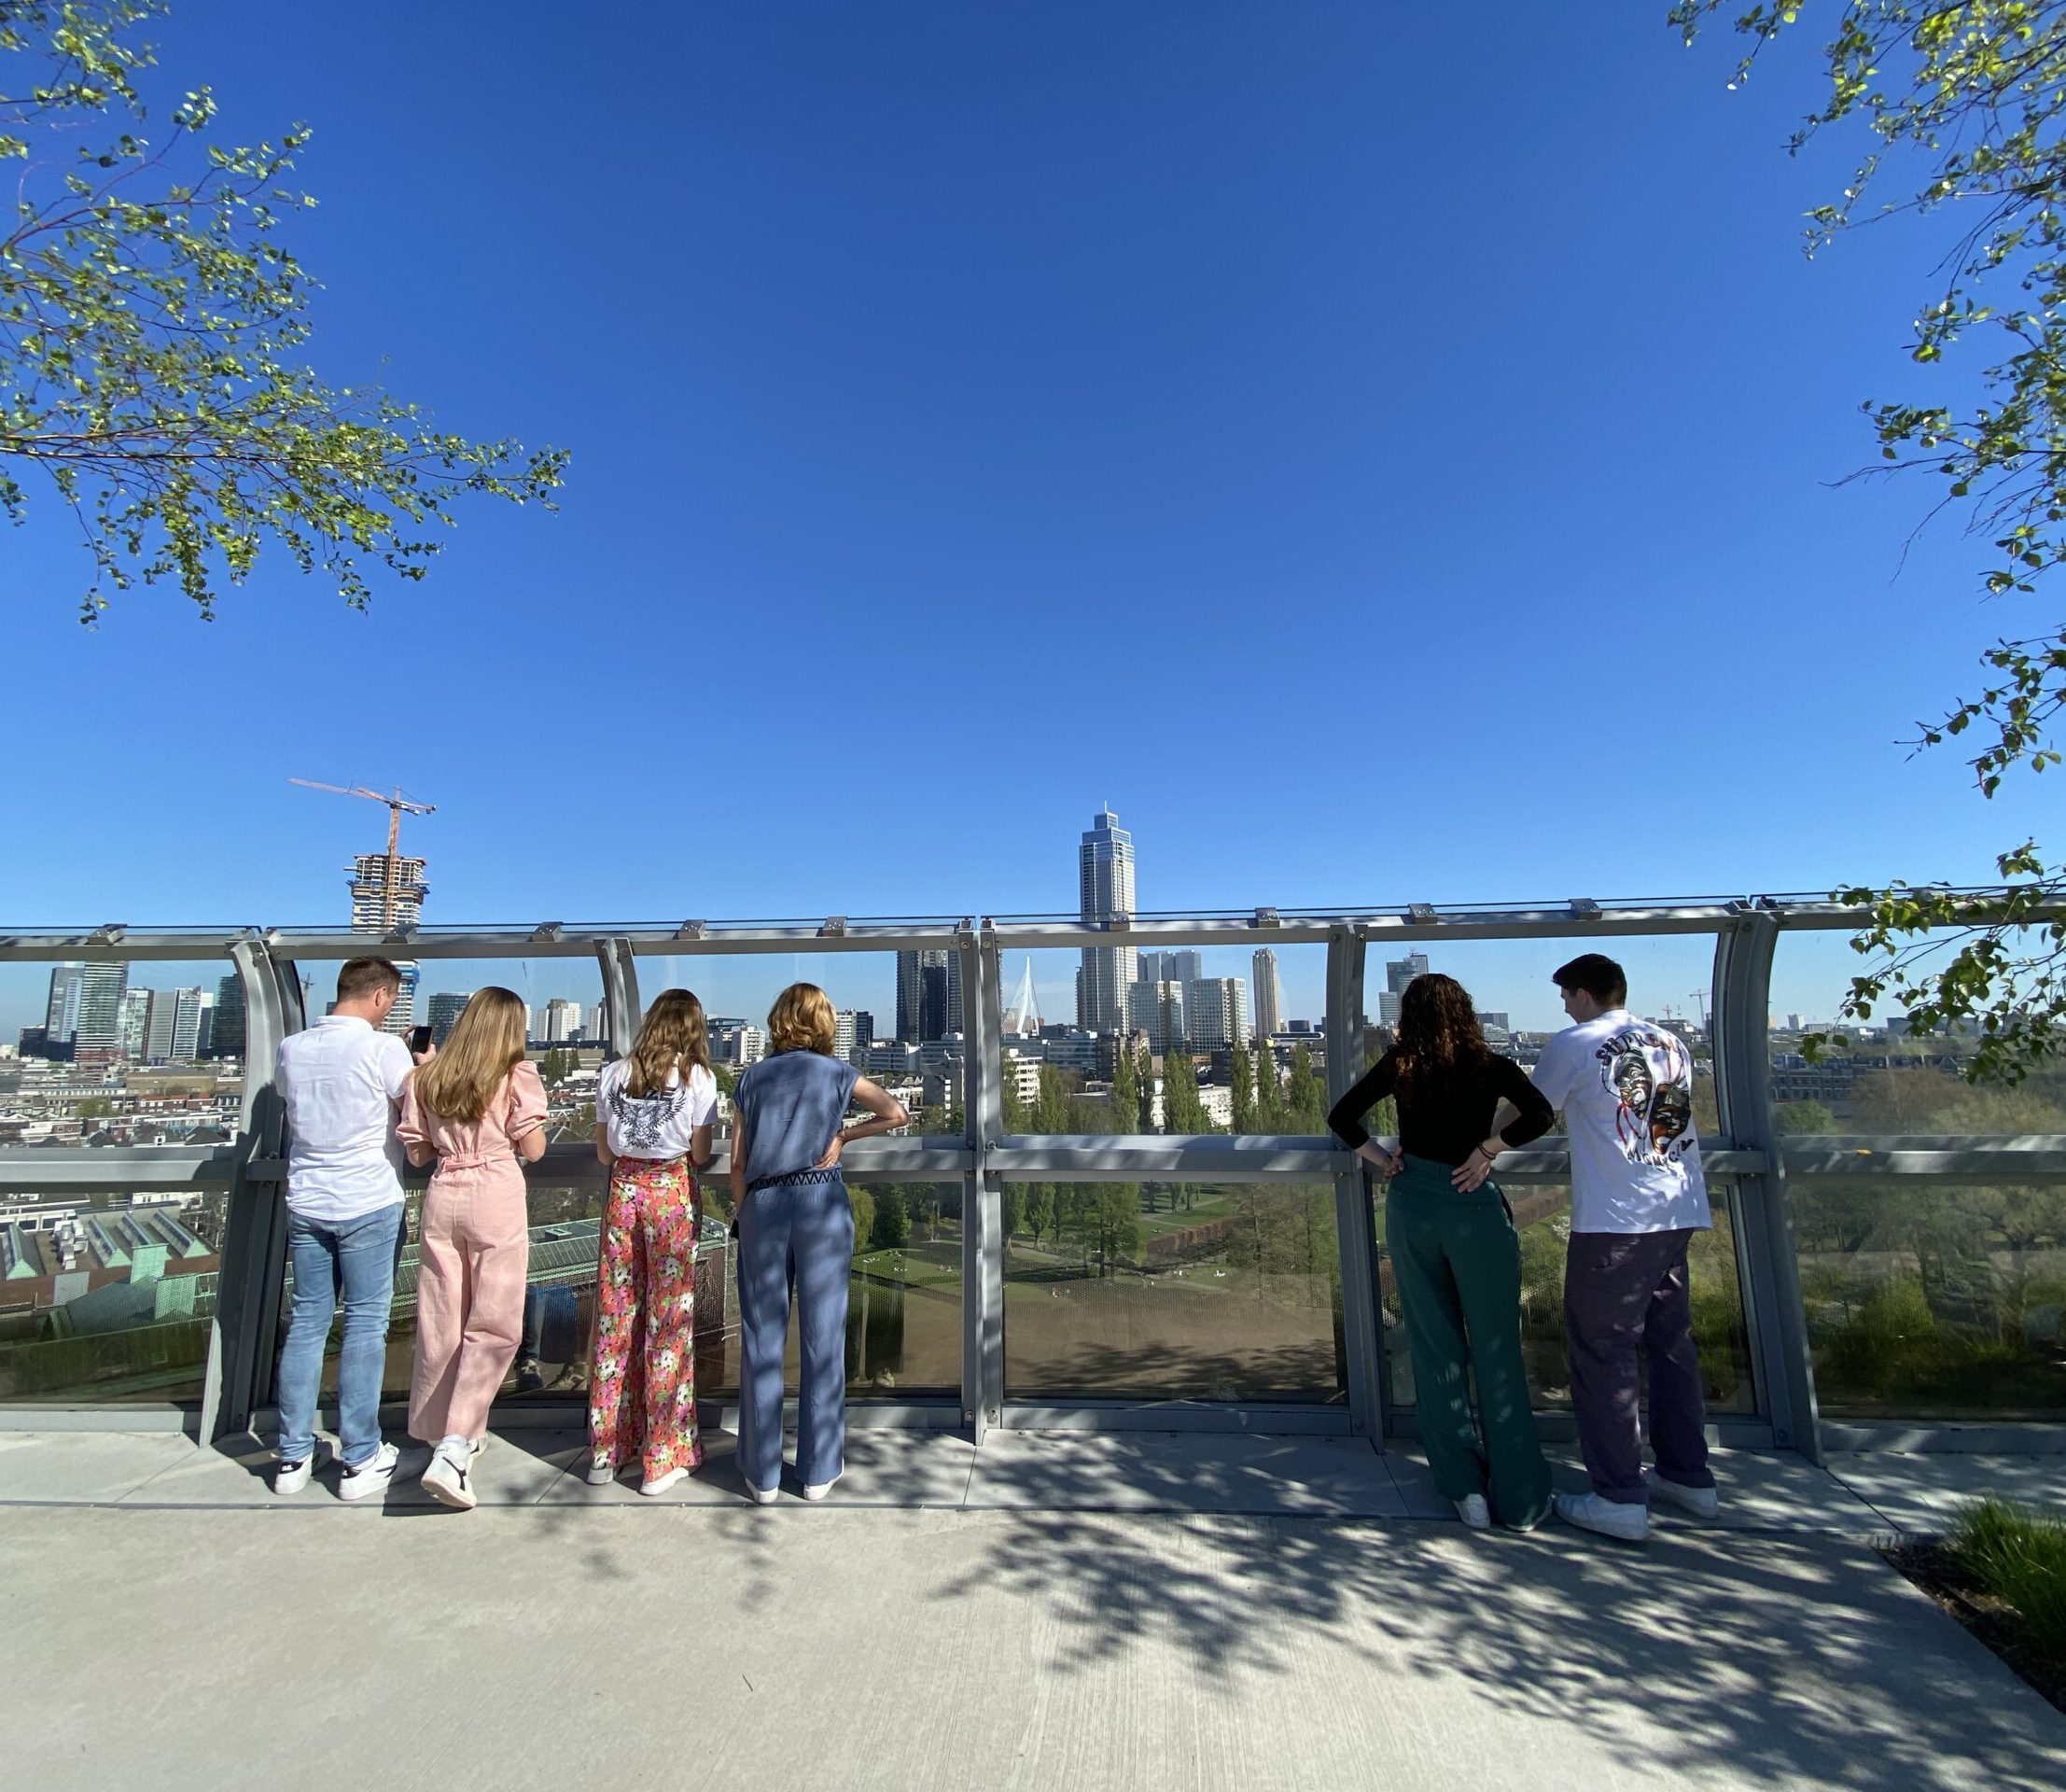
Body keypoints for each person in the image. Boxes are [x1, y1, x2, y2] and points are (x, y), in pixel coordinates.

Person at [1327, 973, 1556, 1531]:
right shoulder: (1491, 1065)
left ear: (1410, 1017)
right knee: (1497, 1348)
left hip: (1413, 1204)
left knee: (1435, 1346)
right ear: (1466, 1012)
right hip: (1472, 1202)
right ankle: (1521, 1499)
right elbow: (1540, 1115)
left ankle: (1464, 1490)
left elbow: (1341, 1118)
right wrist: (1488, 1149)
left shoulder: (1402, 1065)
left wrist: (1384, 1160)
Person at [1532, 953, 1719, 1544]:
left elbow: (1529, 1114)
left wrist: (1483, 1146)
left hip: (1616, 1219)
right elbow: (1667, 1123)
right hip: (1676, 1208)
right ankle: (1687, 1475)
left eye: (1566, 995)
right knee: (1670, 1345)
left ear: (1584, 995)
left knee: (1602, 1352)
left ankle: (1618, 1496)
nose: (1564, 1006)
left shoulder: (1575, 1043)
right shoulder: (1671, 1042)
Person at [729, 983, 908, 1505]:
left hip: (764, 1205)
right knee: (823, 1337)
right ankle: (817, 1469)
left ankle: (762, 1474)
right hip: (821, 1204)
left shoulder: (751, 1078)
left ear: (779, 1020)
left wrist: (747, 1214)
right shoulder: (836, 1073)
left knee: (761, 1338)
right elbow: (896, 1112)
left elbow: (737, 1163)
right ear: (824, 1023)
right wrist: (843, 1136)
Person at [272, 957, 426, 1500]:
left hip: (307, 1200)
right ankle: (360, 1458)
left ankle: (293, 1456)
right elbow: (416, 1105)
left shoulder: (291, 1048)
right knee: (365, 1325)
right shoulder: (382, 1049)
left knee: (308, 1322)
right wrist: (420, 1065)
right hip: (367, 1198)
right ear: (381, 996)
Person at [398, 987, 547, 1510]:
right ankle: (456, 1447)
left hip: (443, 1194)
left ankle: (441, 1433)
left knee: (441, 1319)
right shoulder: (514, 1075)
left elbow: (417, 1153)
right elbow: (534, 1148)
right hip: (495, 1193)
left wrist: (426, 1069)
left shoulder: (426, 1079)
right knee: (494, 1325)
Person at [586, 987, 719, 1496]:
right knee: (669, 1324)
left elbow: (604, 1153)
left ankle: (607, 1449)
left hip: (623, 1192)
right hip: (669, 1196)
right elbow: (700, 1153)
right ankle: (661, 1457)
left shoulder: (613, 1074)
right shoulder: (697, 1078)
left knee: (616, 1317)